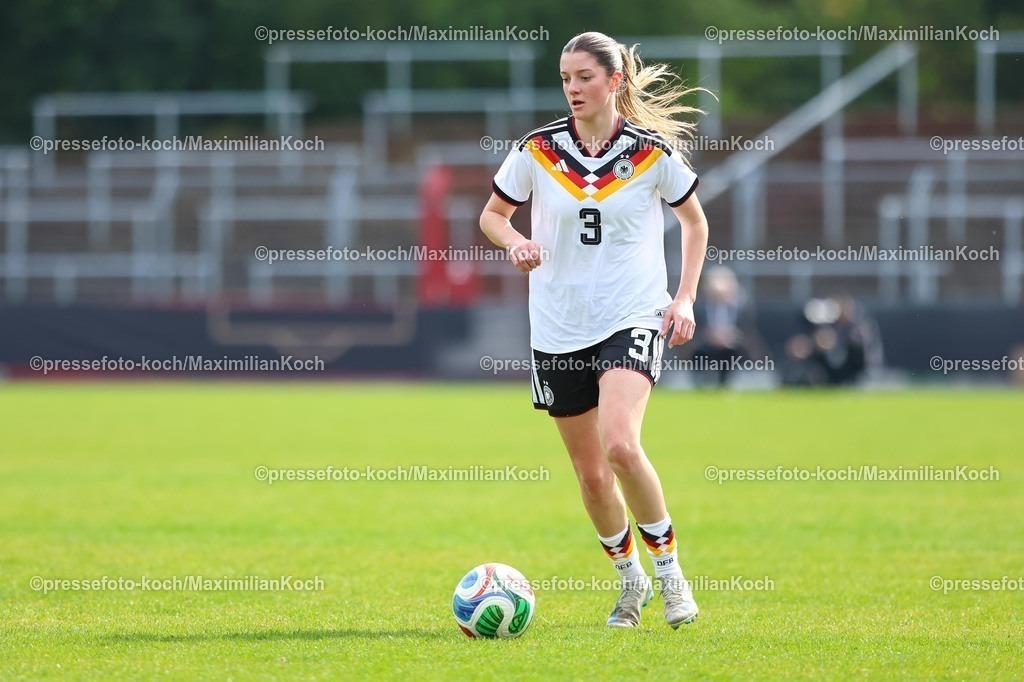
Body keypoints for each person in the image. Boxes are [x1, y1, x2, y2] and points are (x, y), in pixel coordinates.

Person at [479, 31, 710, 629]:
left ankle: (672, 577)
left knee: (621, 446)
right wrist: (516, 242)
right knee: (590, 475)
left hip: (631, 314)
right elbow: (492, 216)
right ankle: (631, 582)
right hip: (557, 327)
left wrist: (684, 297)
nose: (573, 88)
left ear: (614, 81)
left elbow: (695, 222)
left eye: (584, 76)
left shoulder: (650, 153)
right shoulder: (538, 149)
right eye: (565, 78)